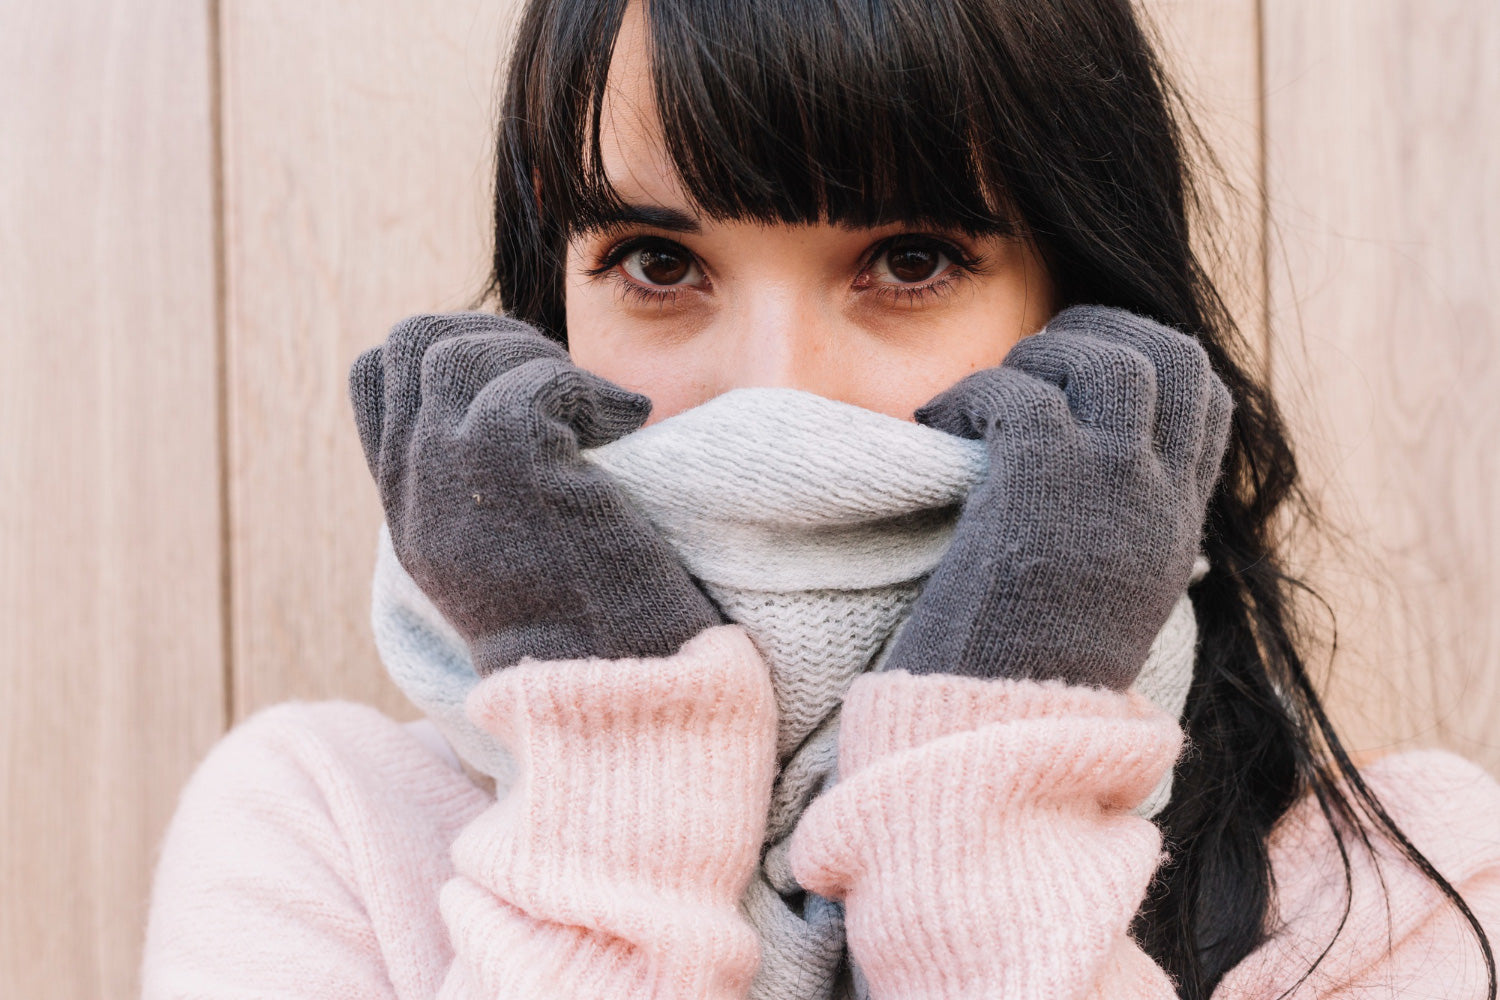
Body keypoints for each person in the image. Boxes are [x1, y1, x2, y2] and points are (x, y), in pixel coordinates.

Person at [137, 0, 1500, 997]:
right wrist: (616, 740)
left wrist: (991, 769)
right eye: (658, 262)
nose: (771, 394)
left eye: (908, 260)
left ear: (1085, 311)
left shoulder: (1392, 894)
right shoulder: (317, 831)